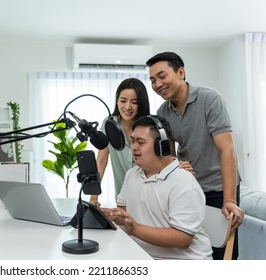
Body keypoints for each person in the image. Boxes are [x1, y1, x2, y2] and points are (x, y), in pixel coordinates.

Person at [146, 51, 244, 260]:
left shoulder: (210, 99)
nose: (157, 84)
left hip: (219, 185)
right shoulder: (163, 111)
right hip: (191, 187)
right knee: (194, 249)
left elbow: (227, 150)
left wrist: (229, 200)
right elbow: (169, 157)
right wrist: (176, 165)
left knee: (222, 250)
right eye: (153, 80)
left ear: (181, 72)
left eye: (162, 76)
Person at [103, 115, 213, 260]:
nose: (134, 147)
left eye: (141, 142)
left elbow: (183, 238)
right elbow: (125, 213)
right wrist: (113, 216)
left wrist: (135, 229)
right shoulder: (131, 175)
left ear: (161, 146)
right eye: (133, 141)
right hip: (142, 256)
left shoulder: (183, 182)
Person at [90, 78, 150, 206]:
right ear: (117, 101)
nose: (128, 107)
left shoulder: (151, 127)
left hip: (149, 198)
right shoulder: (109, 124)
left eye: (134, 102)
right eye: (123, 101)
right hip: (122, 199)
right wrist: (93, 198)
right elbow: (101, 161)